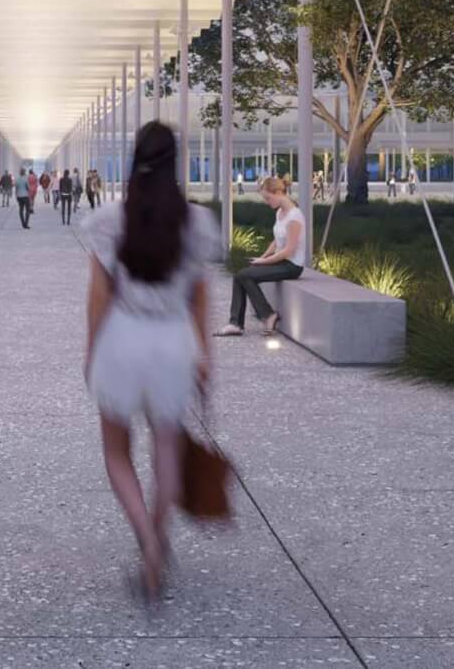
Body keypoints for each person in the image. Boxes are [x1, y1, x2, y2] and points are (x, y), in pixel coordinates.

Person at [83, 121, 218, 600]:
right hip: (173, 343)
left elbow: (99, 298)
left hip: (122, 339)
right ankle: (159, 540)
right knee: (166, 448)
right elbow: (201, 297)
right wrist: (205, 356)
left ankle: (144, 534)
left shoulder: (110, 221)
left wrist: (90, 351)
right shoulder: (196, 223)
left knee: (117, 453)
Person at [217, 175, 306, 337]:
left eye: (268, 198)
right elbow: (276, 240)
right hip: (280, 262)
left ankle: (267, 315)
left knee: (245, 275)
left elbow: (288, 250)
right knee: (240, 275)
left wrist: (264, 262)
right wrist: (262, 257)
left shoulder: (295, 216)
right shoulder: (280, 212)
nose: (267, 202)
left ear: (279, 192)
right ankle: (235, 323)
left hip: (292, 265)